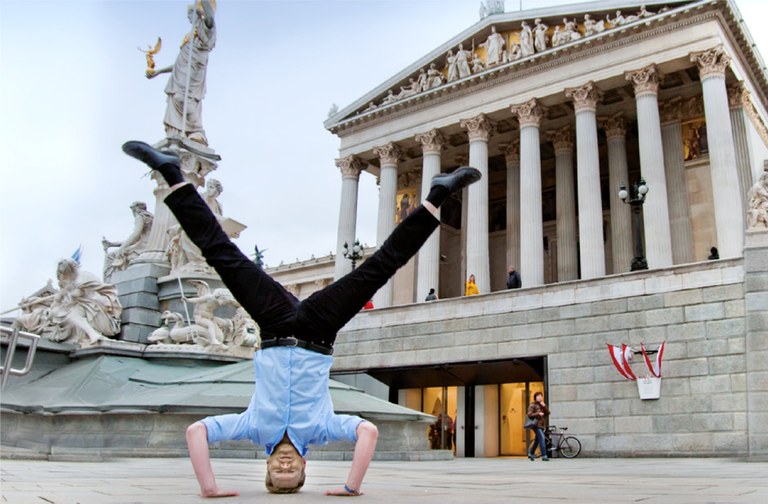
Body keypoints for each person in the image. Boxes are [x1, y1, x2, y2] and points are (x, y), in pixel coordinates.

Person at [121, 140, 481, 497]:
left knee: (221, 254)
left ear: (266, 467)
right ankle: (437, 196)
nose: (285, 467)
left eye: (278, 473)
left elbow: (195, 432)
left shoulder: (252, 427)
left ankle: (170, 171)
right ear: (306, 467)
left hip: (274, 325)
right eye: (292, 474)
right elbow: (367, 433)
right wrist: (351, 486)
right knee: (380, 267)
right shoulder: (321, 431)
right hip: (317, 330)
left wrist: (209, 487)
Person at [527, 392, 551, 461]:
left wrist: (544, 406)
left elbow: (548, 413)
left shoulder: (542, 405)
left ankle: (531, 453)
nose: (540, 397)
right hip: (536, 425)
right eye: (538, 396)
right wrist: (538, 413)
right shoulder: (532, 405)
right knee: (542, 439)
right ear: (535, 398)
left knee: (537, 440)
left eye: (541, 396)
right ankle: (544, 455)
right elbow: (529, 414)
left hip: (542, 425)